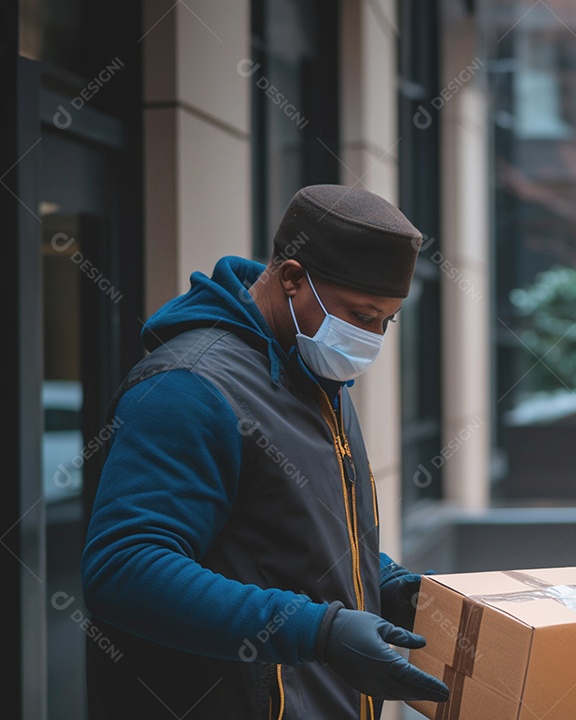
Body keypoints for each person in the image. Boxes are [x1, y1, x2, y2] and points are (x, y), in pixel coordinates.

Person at [81, 185, 450, 719]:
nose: (371, 338)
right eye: (360, 315)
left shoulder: (314, 374)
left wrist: (382, 581)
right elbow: (123, 569)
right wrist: (317, 631)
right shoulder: (189, 387)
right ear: (293, 278)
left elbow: (284, 535)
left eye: (386, 321)